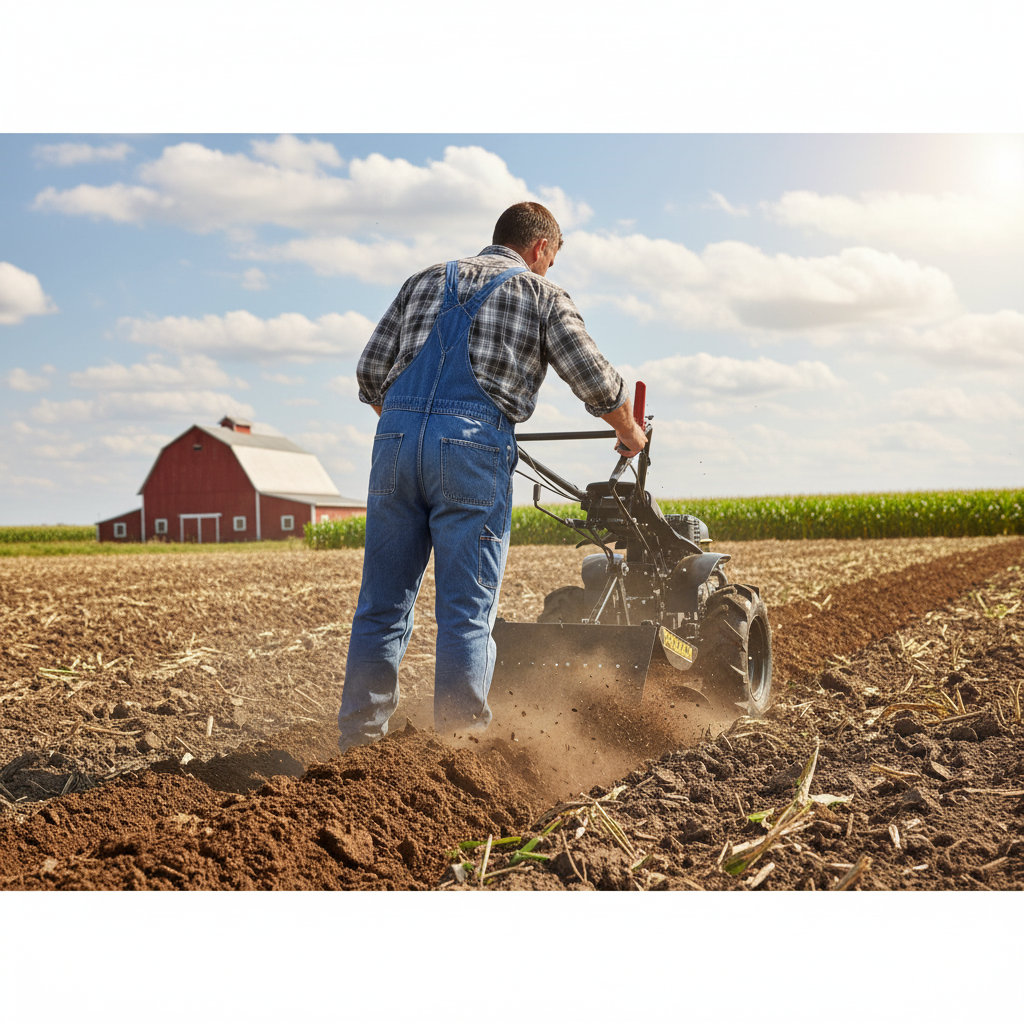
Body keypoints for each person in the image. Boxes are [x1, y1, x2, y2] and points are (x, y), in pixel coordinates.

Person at [338, 201, 647, 752]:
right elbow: (597, 382)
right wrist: (629, 430)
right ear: (541, 248)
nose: (548, 268)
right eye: (550, 259)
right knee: (465, 613)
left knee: (382, 606)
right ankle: (461, 748)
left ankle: (358, 746)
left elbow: (369, 376)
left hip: (395, 443)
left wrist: (413, 426)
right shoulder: (539, 293)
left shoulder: (424, 280)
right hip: (472, 450)